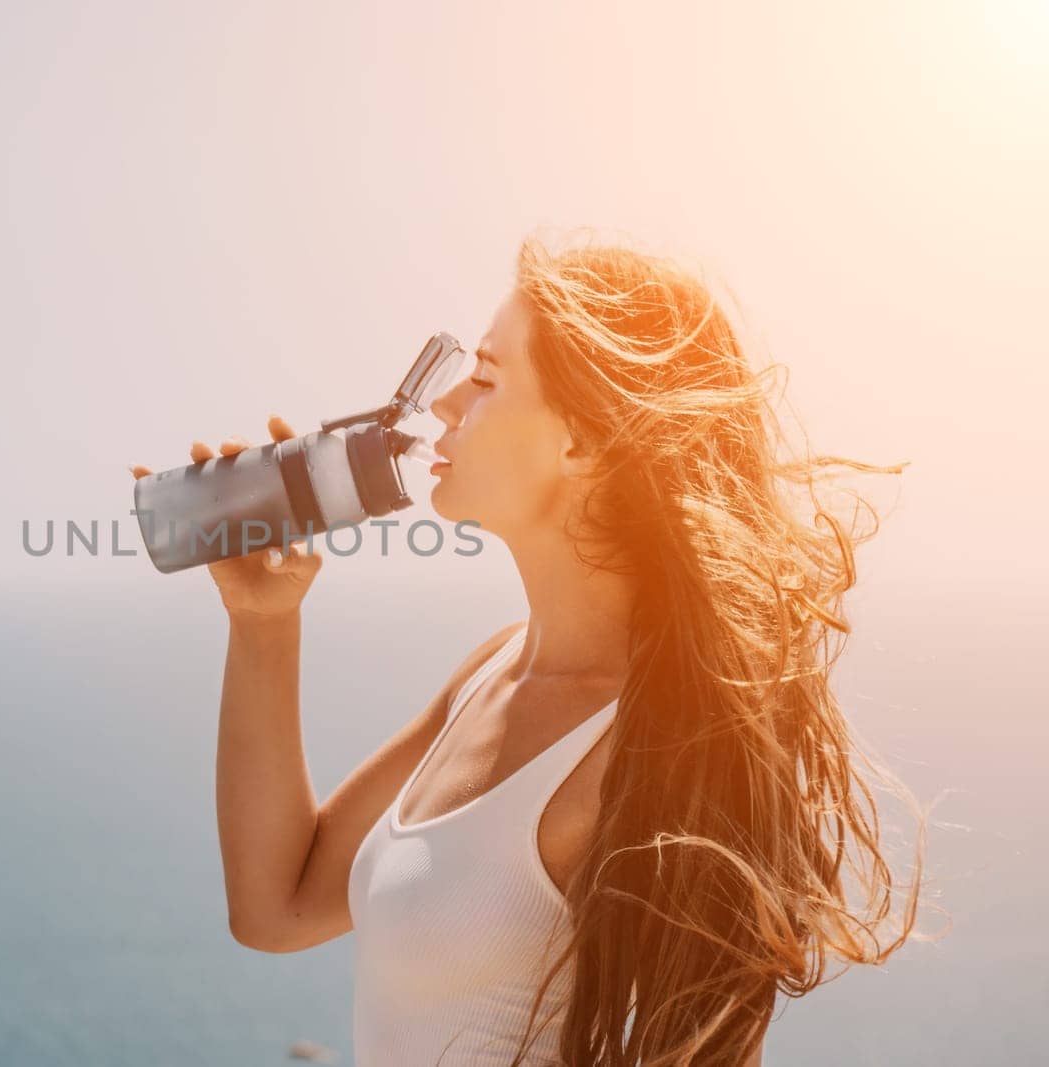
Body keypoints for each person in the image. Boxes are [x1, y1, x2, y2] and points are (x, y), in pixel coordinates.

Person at [128, 234, 923, 1065]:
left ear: (582, 440)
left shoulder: (653, 737)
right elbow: (277, 904)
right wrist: (265, 625)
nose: (442, 407)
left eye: (485, 378)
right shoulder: (492, 674)